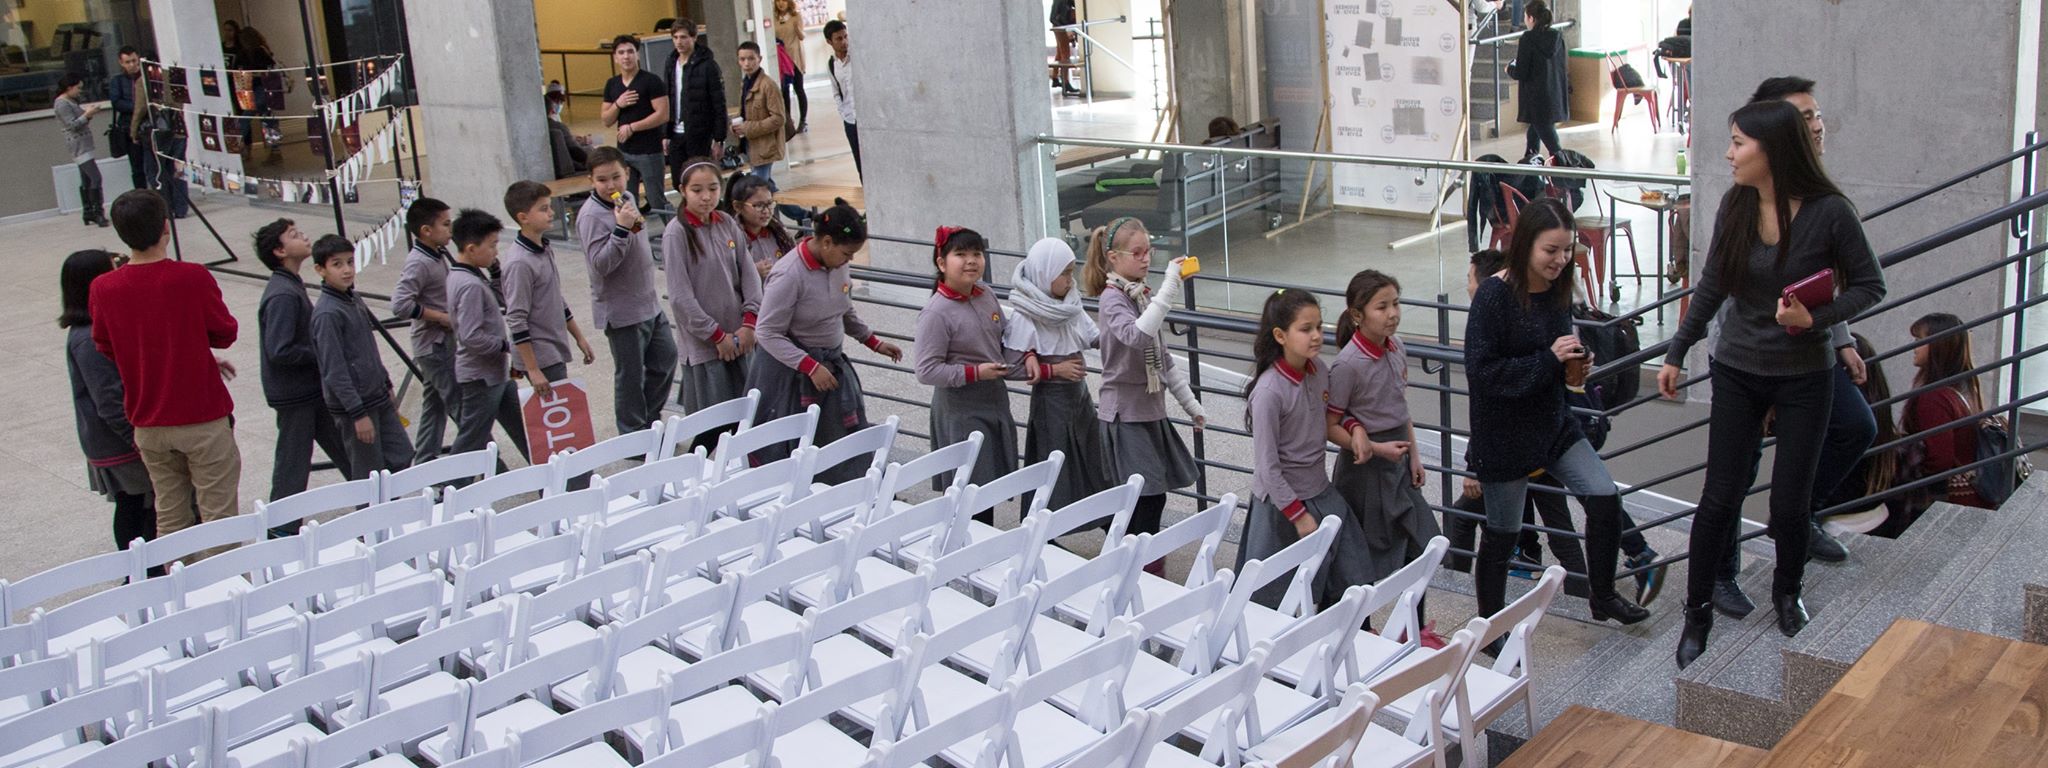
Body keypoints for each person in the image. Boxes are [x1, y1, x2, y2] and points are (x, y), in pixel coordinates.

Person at [1659, 99, 1886, 668]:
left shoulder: (1831, 213)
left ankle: (1787, 592)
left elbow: (1870, 285)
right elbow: (1712, 284)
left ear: (1773, 151)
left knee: (1789, 503)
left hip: (1805, 374)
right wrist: (1678, 350)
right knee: (1718, 498)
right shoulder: (1736, 203)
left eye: (1739, 143)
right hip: (1737, 368)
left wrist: (1817, 319)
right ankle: (1696, 614)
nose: (1729, 154)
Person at [1466, 198, 1649, 642]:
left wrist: (1573, 366)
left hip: (1553, 422)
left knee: (1604, 497)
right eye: (1551, 250)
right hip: (1505, 434)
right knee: (1502, 534)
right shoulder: (1493, 295)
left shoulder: (1559, 289)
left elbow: (1558, 350)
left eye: (1567, 250)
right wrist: (1549, 360)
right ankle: (1490, 628)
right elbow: (1483, 373)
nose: (1561, 259)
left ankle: (1602, 594)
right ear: (1526, 244)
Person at [1723, 75, 1872, 567]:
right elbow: (1723, 285)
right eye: (1804, 118)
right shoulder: (1745, 193)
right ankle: (1722, 572)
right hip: (1749, 352)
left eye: (1817, 114)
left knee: (1855, 426)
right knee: (1734, 472)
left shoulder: (1822, 200)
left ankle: (1796, 518)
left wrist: (1839, 336)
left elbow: (1824, 278)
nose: (1817, 126)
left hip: (1805, 347)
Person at [92, 190, 241, 544]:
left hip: (148, 420)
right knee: (218, 517)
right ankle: (223, 578)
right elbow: (224, 332)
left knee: (170, 514)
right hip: (201, 416)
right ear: (165, 228)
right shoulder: (191, 276)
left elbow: (105, 345)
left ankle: (176, 576)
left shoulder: (103, 287)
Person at [747, 200, 903, 480]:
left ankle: (849, 490)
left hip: (828, 367)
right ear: (827, 242)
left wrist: (873, 342)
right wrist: (809, 366)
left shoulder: (837, 264)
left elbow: (843, 309)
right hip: (791, 375)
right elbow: (767, 332)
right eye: (847, 254)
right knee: (797, 450)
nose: (849, 260)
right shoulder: (788, 274)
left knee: (840, 442)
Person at [1237, 288, 1373, 609]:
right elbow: (1268, 468)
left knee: (1352, 577)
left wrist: (1354, 428)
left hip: (1321, 493)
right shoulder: (1269, 392)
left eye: (1319, 327)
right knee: (1274, 600)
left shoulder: (1319, 371)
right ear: (1280, 336)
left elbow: (1330, 416)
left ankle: (1346, 634)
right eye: (1305, 329)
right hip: (1282, 507)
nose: (1316, 336)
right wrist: (1298, 517)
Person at [1084, 217, 1206, 570]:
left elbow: (1163, 358)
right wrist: (1170, 285)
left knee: (1151, 498)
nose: (1146, 258)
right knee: (1144, 499)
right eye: (1137, 253)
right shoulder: (1113, 299)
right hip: (1125, 415)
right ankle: (1136, 572)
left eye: (1148, 251)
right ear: (1113, 257)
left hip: (1149, 411)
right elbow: (1137, 336)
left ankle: (1140, 570)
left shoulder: (1139, 295)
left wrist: (1191, 405)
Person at [1327, 270, 1442, 588]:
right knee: (1362, 559)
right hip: (1365, 471)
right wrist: (1376, 448)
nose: (1392, 314)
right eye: (1382, 307)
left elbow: (1400, 408)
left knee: (1421, 548)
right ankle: (1352, 617)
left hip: (1399, 462)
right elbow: (1329, 425)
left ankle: (1412, 617)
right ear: (1357, 315)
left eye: (1396, 303)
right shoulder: (1348, 364)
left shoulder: (1397, 347)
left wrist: (1414, 456)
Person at [915, 227, 1024, 506]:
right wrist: (975, 372)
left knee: (989, 488)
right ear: (942, 263)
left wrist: (1032, 358)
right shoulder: (936, 312)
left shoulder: (985, 293)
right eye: (961, 254)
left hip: (994, 400)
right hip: (961, 409)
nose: (971, 261)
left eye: (977, 253)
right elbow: (926, 371)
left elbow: (1005, 336)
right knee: (969, 491)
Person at [1005, 238, 1112, 511]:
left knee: (1093, 457)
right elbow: (1009, 366)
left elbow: (1093, 336)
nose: (1070, 279)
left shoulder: (1069, 304)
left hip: (1079, 398)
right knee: (1054, 466)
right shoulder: (1025, 313)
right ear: (1045, 273)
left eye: (1071, 272)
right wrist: (1053, 369)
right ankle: (1047, 524)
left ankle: (1104, 516)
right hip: (1051, 402)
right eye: (1064, 273)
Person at [255, 218, 352, 517]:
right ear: (280, 251)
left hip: (309, 390)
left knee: (347, 449)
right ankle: (281, 527)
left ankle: (375, 502)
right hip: (295, 395)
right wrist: (322, 351)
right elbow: (280, 349)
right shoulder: (283, 294)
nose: (304, 237)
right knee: (293, 464)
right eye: (294, 235)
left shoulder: (290, 285)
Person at [579, 146, 678, 436]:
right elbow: (600, 265)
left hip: (648, 301)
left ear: (627, 173)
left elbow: (638, 236)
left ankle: (649, 421)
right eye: (602, 180)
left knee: (665, 359)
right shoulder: (590, 216)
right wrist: (621, 230)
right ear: (591, 180)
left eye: (616, 177)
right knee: (631, 375)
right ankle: (634, 434)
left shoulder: (628, 199)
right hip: (622, 310)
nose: (610, 185)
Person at [60, 249, 154, 552]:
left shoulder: (97, 327)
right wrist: (137, 439)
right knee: (137, 503)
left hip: (116, 437)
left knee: (139, 503)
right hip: (117, 441)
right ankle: (139, 568)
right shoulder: (88, 339)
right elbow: (109, 400)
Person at [666, 159, 762, 439]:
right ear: (683, 191)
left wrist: (749, 323)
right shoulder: (677, 233)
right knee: (711, 429)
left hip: (740, 339)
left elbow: (749, 275)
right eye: (697, 190)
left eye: (712, 188)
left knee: (746, 421)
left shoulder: (727, 223)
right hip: (707, 346)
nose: (706, 197)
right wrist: (716, 335)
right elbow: (680, 296)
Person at [311, 235, 413, 479]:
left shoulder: (353, 299)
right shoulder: (327, 314)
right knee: (369, 473)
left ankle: (390, 501)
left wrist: (386, 383)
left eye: (350, 262)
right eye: (337, 264)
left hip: (377, 395)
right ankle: (374, 505)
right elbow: (334, 370)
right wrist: (357, 414)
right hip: (356, 407)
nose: (347, 270)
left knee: (401, 455)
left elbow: (369, 349)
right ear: (320, 270)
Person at [447, 209, 531, 467]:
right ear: (471, 249)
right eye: (492, 245)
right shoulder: (469, 285)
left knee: (526, 429)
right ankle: (453, 484)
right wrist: (506, 346)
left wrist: (495, 274)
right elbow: (471, 336)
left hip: (495, 374)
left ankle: (547, 474)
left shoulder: (467, 275)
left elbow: (497, 302)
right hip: (480, 377)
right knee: (472, 440)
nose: (496, 251)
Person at [502, 180, 598, 403]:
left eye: (550, 206)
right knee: (560, 414)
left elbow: (555, 298)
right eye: (543, 208)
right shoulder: (519, 263)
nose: (551, 213)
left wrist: (579, 337)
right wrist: (533, 369)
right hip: (540, 355)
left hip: (553, 348)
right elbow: (516, 318)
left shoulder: (544, 248)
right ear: (523, 217)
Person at [390, 197, 458, 464]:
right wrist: (440, 317)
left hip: (439, 344)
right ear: (426, 231)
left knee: (434, 407)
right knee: (462, 409)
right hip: (434, 347)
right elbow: (400, 304)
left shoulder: (437, 254)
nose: (450, 229)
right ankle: (489, 466)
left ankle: (424, 463)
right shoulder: (419, 261)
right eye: (445, 224)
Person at [1904, 313, 1991, 510]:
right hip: (1973, 495)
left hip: (1950, 501)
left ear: (1939, 345)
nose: (1913, 347)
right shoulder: (1962, 390)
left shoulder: (1934, 397)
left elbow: (1939, 459)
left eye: (1919, 340)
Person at [602, 34, 671, 216]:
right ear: (615, 57)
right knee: (626, 199)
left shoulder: (651, 81)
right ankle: (632, 231)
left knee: (656, 199)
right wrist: (618, 104)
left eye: (630, 52)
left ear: (637, 55)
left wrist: (632, 127)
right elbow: (606, 120)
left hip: (649, 151)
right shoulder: (612, 84)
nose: (626, 56)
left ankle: (673, 230)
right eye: (621, 53)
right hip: (624, 152)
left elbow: (663, 115)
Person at [663, 20, 728, 188]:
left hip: (699, 133)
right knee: (678, 181)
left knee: (699, 179)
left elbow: (719, 103)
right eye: (675, 37)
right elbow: (669, 98)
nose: (679, 42)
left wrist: (719, 138)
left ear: (694, 37)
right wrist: (665, 133)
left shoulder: (708, 66)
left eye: (683, 37)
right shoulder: (671, 63)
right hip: (676, 132)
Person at [1505, 0, 1568, 160]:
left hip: (1536, 97)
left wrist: (1509, 69)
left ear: (1531, 18)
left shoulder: (1528, 38)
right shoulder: (1557, 36)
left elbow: (1521, 72)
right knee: (1534, 131)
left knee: (1553, 145)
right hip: (1554, 92)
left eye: (1525, 16)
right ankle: (1531, 159)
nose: (1524, 20)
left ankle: (1565, 167)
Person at [54, 73, 109, 228]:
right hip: (78, 145)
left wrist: (87, 115)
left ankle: (88, 211)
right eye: (78, 88)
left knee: (86, 179)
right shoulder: (62, 103)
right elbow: (72, 125)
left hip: (83, 142)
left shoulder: (70, 101)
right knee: (95, 177)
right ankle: (98, 212)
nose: (80, 91)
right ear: (69, 88)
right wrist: (87, 114)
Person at [722, 172, 797, 280]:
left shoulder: (779, 233)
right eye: (758, 205)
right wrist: (751, 272)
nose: (766, 211)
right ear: (738, 206)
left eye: (770, 203)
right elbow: (724, 277)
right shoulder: (730, 239)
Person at [734, 42, 788, 182]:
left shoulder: (768, 85)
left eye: (751, 58)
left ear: (760, 59)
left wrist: (748, 127)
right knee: (764, 185)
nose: (747, 63)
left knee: (758, 185)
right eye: (742, 59)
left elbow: (778, 118)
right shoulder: (745, 83)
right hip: (750, 144)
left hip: (764, 146)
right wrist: (737, 127)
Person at [824, 20, 861, 180]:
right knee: (859, 163)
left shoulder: (857, 58)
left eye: (845, 36)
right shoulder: (832, 64)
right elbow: (836, 91)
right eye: (839, 39)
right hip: (850, 120)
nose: (844, 42)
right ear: (829, 41)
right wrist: (844, 113)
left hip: (866, 118)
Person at [110, 47, 151, 194]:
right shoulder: (118, 81)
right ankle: (141, 195)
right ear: (121, 63)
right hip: (129, 127)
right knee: (137, 166)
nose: (132, 65)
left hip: (148, 125)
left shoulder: (147, 76)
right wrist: (138, 107)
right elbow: (116, 102)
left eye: (134, 60)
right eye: (128, 62)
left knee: (153, 164)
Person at [772, 0, 809, 134]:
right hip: (782, 58)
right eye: (778, 1)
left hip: (795, 57)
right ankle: (788, 122)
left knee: (799, 88)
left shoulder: (796, 16)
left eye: (783, 0)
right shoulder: (774, 18)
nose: (781, 3)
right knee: (784, 90)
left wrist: (797, 29)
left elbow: (802, 36)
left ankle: (803, 121)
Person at [546, 85, 590, 179]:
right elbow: (576, 151)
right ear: (551, 109)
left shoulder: (543, 127)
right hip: (573, 165)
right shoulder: (558, 126)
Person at [1050, 0, 1081, 96]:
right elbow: (1052, 18)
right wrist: (1065, 29)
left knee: (1060, 53)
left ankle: (1055, 78)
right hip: (1060, 28)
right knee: (1065, 54)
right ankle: (1065, 82)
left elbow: (1075, 7)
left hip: (1065, 26)